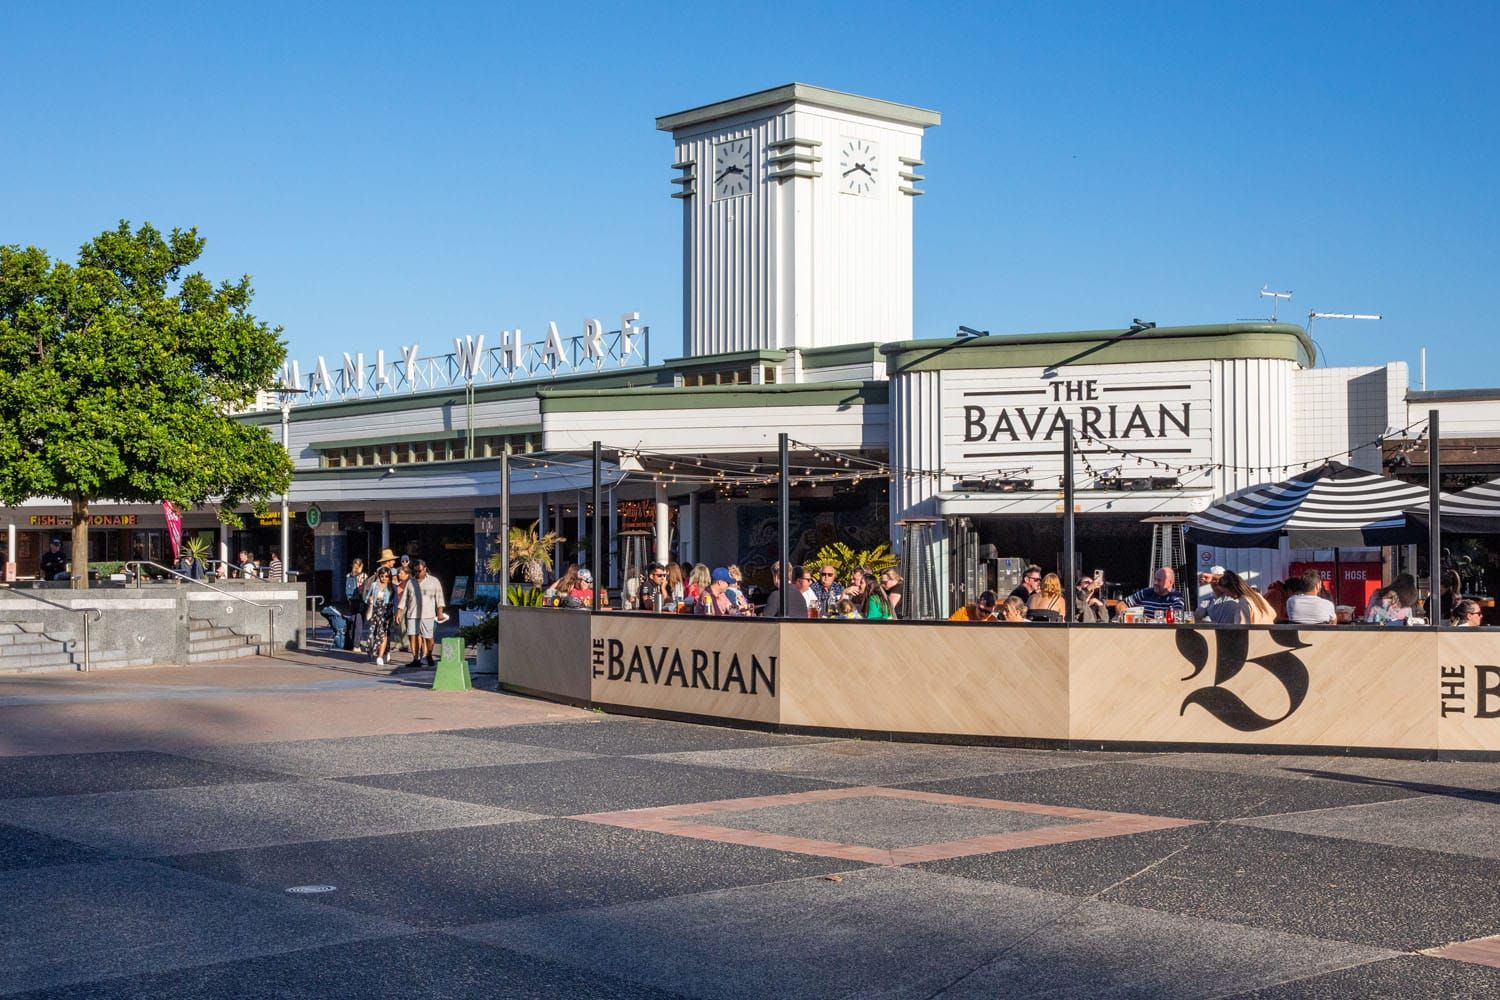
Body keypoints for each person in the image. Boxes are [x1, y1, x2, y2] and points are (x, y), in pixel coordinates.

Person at [400, 558, 447, 668]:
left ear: (425, 569)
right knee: (413, 636)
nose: (417, 573)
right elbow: (404, 598)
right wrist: (399, 611)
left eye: (419, 571)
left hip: (428, 614)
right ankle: (416, 659)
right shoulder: (410, 582)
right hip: (412, 614)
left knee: (428, 637)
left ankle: (429, 654)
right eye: (415, 571)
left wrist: (440, 612)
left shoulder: (434, 581)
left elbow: (439, 598)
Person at [364, 566, 395, 665]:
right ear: (379, 576)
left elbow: (396, 601)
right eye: (382, 576)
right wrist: (370, 600)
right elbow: (366, 598)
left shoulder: (392, 587)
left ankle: (380, 656)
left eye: (386, 576)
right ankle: (384, 651)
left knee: (384, 633)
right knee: (373, 632)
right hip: (375, 611)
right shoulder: (374, 585)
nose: (384, 578)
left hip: (386, 613)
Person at [344, 558, 368, 652]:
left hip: (352, 602)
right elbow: (365, 589)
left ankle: (352, 643)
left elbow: (347, 591)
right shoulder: (363, 576)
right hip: (360, 601)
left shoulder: (348, 576)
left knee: (353, 622)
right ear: (361, 566)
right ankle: (356, 645)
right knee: (359, 623)